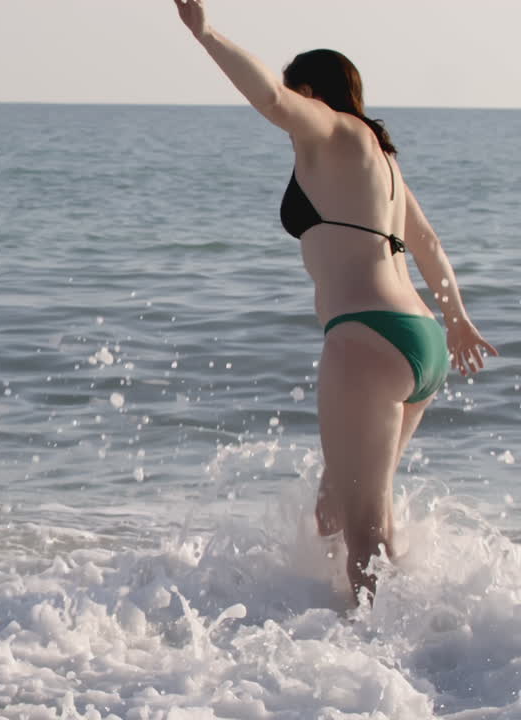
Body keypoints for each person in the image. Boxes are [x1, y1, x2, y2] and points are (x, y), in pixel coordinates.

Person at [173, 0, 497, 603]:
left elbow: (269, 96)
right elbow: (426, 244)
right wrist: (457, 323)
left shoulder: (331, 128)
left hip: (366, 339)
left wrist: (207, 34)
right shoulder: (383, 159)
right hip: (419, 343)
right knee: (335, 510)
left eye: (304, 95)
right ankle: (357, 635)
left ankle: (380, 667)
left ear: (315, 92)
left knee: (365, 535)